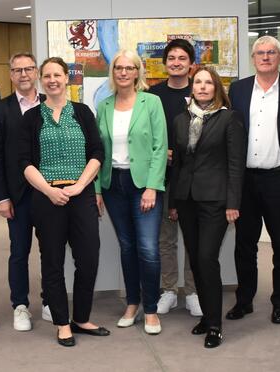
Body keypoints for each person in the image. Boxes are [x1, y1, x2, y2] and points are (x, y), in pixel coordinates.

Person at [17, 57, 109, 347]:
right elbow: (25, 162)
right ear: (41, 80)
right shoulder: (31, 118)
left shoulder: (82, 112)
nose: (53, 79)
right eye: (47, 75)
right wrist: (49, 190)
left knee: (89, 258)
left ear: (66, 78)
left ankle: (81, 318)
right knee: (53, 262)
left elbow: (96, 152)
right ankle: (61, 323)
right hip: (47, 199)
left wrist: (81, 186)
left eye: (58, 74)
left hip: (80, 196)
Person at [226, 36, 280, 324]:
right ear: (253, 58)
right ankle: (245, 300)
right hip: (245, 181)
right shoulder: (237, 90)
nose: (265, 57)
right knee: (244, 246)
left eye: (271, 52)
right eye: (260, 52)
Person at [169, 67, 246, 348]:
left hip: (216, 201)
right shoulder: (181, 120)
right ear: (192, 87)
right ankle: (207, 316)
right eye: (198, 82)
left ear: (216, 88)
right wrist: (174, 203)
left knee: (206, 259)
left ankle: (215, 325)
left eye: (208, 83)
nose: (202, 87)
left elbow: (236, 164)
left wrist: (233, 203)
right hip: (187, 200)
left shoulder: (229, 118)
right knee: (196, 262)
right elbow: (177, 164)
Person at [95, 50, 167, 335]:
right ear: (113, 73)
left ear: (138, 72)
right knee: (127, 247)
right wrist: (98, 189)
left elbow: (160, 146)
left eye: (129, 68)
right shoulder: (104, 105)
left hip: (143, 186)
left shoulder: (152, 102)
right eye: (118, 68)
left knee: (148, 249)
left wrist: (152, 186)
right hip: (114, 184)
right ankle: (132, 303)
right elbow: (99, 151)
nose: (123, 73)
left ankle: (151, 309)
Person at [0, 52, 50, 331]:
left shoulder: (51, 104)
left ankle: (50, 299)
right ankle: (20, 305)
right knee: (19, 252)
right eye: (17, 70)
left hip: (49, 193)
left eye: (28, 69)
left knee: (51, 250)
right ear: (11, 75)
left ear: (36, 72)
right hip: (17, 196)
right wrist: (1, 197)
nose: (23, 74)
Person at [148, 39, 201, 317]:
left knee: (193, 236)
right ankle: (168, 290)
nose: (177, 62)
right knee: (165, 238)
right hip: (163, 177)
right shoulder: (153, 95)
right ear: (165, 63)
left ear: (191, 64)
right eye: (172, 58)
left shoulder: (202, 91)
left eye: (182, 58)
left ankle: (192, 291)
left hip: (195, 179)